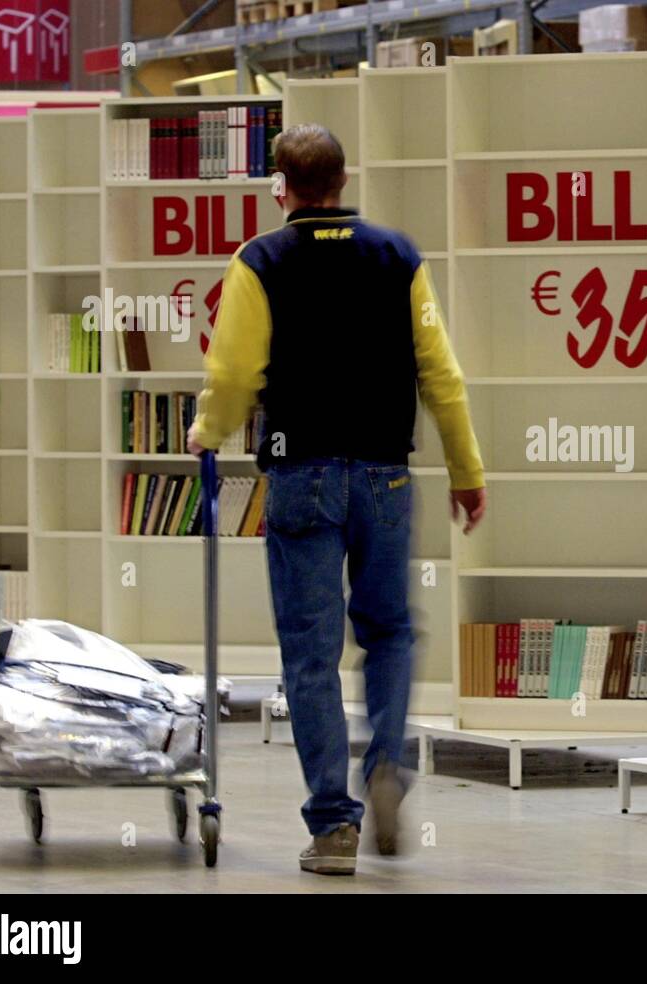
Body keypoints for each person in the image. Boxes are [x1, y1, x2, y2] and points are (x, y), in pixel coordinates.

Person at [187, 123, 487, 875]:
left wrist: (207, 431)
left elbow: (233, 374)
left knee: (310, 654)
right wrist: (466, 471)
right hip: (385, 474)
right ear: (345, 182)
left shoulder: (260, 262)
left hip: (301, 475)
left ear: (281, 188)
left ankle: (333, 827)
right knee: (387, 632)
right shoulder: (398, 257)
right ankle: (385, 762)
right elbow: (440, 375)